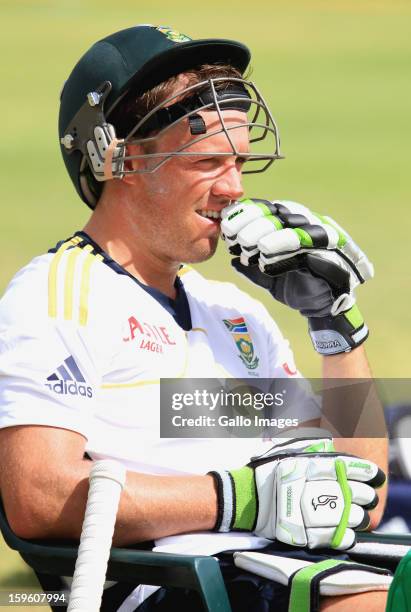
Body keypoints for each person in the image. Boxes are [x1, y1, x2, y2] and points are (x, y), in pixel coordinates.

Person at [0, 24, 389, 611]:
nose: (234, 188)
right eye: (207, 161)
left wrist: (335, 325)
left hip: (285, 570)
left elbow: (363, 495)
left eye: (239, 162)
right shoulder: (55, 296)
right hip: (179, 588)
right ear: (120, 159)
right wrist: (236, 499)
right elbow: (36, 493)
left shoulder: (239, 311)